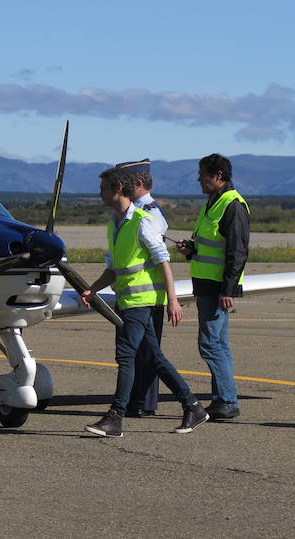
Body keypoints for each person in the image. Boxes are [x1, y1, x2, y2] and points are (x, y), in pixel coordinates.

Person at [82, 167, 208, 437]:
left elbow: (164, 261)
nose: (99, 193)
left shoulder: (142, 221)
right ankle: (193, 406)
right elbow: (114, 269)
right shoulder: (114, 224)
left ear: (118, 189)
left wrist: (172, 300)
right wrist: (92, 290)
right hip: (127, 300)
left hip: (143, 301)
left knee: (126, 355)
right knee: (153, 357)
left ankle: (115, 417)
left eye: (103, 188)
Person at [176, 153, 249, 420]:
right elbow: (212, 245)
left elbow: (237, 252)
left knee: (209, 344)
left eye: (203, 175)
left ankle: (227, 401)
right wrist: (191, 248)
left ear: (218, 176)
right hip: (206, 283)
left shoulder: (232, 205)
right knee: (219, 344)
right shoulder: (213, 202)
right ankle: (223, 400)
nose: (199, 180)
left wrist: (228, 290)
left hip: (217, 287)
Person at [115, 159, 168, 418]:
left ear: (137, 183)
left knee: (147, 353)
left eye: (123, 183)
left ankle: (143, 402)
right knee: (139, 352)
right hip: (132, 294)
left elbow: (159, 257)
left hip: (146, 295)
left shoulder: (149, 214)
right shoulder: (131, 212)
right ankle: (136, 400)